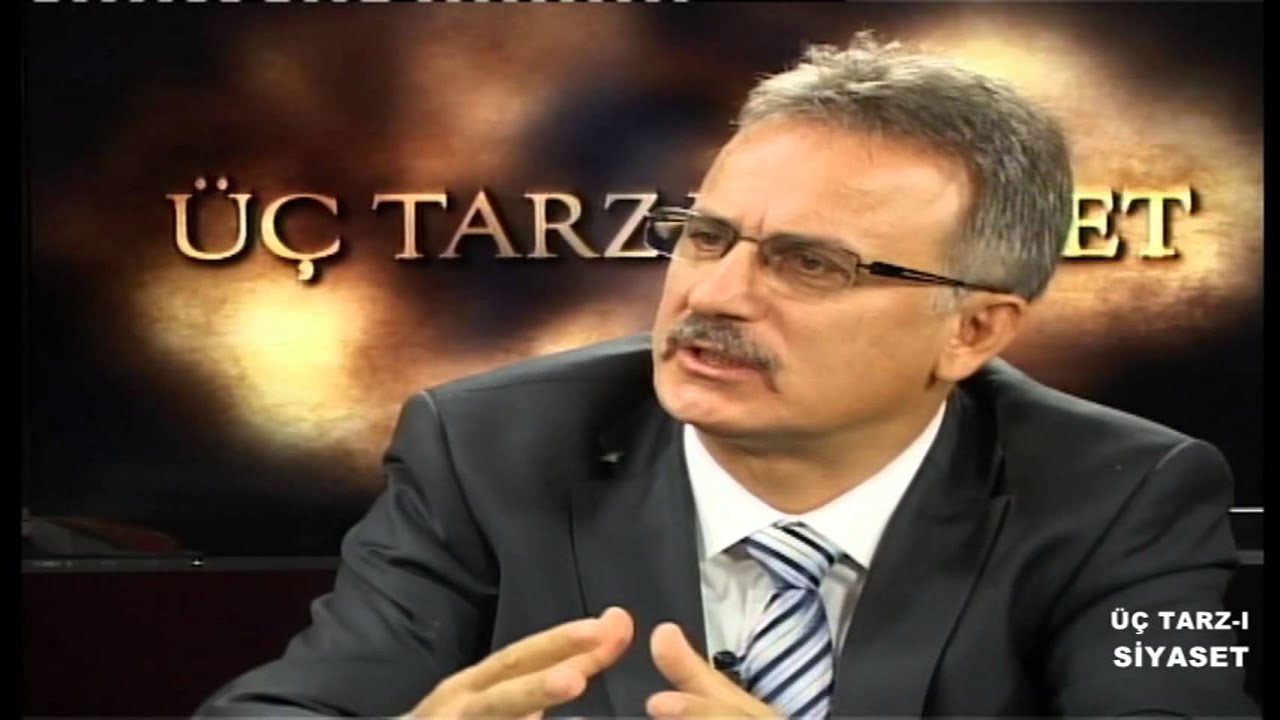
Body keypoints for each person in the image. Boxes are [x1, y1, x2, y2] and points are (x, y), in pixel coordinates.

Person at [196, 35, 1257, 719]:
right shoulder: (489, 449)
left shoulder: (1123, 496)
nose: (715, 294)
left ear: (972, 329)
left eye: (809, 263)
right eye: (705, 236)